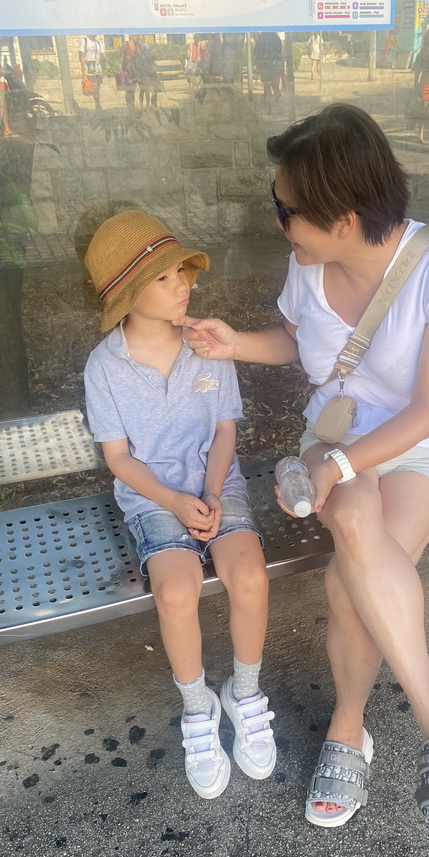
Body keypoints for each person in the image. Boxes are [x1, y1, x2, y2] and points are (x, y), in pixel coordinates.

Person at [184, 104, 429, 843]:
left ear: (343, 220)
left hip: (418, 446)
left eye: (285, 210)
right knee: (353, 521)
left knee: (342, 579)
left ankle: (352, 730)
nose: (279, 223)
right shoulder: (307, 267)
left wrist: (350, 464)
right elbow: (298, 349)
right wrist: (232, 346)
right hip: (336, 435)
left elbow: (427, 410)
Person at [82, 210, 276, 799]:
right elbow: (119, 459)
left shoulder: (207, 346)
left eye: (182, 272)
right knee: (174, 588)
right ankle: (197, 709)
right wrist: (175, 500)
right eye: (164, 277)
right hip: (151, 495)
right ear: (127, 293)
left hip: (218, 484)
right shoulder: (104, 367)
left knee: (248, 575)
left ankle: (244, 693)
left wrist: (214, 494)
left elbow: (223, 434)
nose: (183, 285)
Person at [254, 32, 283, 108]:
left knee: (267, 86)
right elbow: (280, 52)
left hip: (264, 65)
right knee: (275, 86)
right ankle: (273, 102)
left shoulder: (261, 39)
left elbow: (256, 52)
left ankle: (268, 105)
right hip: (275, 65)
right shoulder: (276, 38)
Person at [79, 34, 104, 110]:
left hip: (98, 69)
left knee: (98, 88)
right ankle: (98, 104)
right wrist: (83, 70)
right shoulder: (85, 41)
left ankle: (97, 103)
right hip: (90, 68)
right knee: (94, 87)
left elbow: (104, 53)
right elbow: (82, 56)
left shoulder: (98, 43)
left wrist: (110, 61)